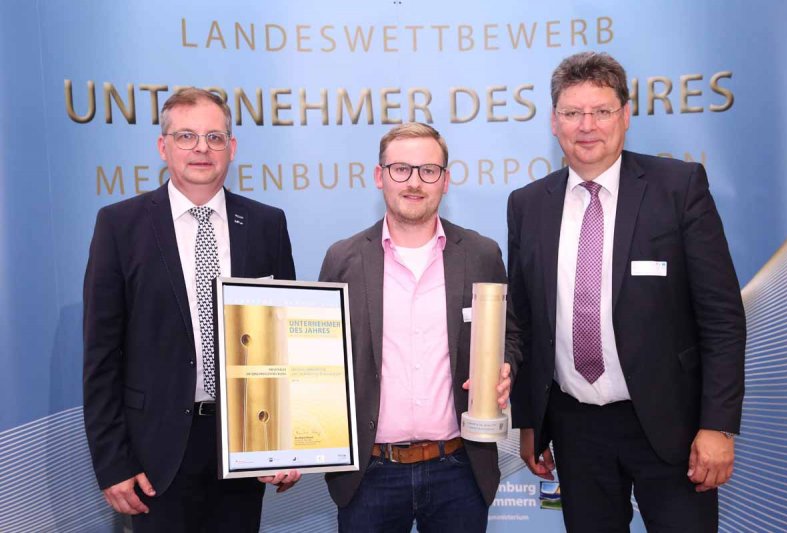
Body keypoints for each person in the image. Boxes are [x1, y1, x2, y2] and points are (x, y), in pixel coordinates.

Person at [507, 51, 746, 532]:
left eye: (601, 111)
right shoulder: (528, 204)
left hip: (672, 427)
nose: (586, 126)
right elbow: (525, 321)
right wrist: (529, 422)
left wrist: (718, 425)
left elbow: (721, 317)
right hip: (576, 429)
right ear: (554, 122)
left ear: (626, 115)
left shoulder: (678, 188)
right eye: (572, 113)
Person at [83, 87, 300, 532]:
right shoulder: (119, 225)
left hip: (245, 445)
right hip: (155, 454)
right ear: (163, 147)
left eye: (214, 137)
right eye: (186, 136)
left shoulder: (267, 224)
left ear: (232, 148)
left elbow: (286, 344)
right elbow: (101, 356)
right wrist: (112, 462)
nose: (202, 148)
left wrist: (288, 443)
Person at [319, 123, 522, 532]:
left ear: (445, 180)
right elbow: (320, 361)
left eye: (428, 170)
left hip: (459, 469)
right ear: (379, 176)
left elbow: (511, 335)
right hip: (370, 474)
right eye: (401, 169)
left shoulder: (481, 254)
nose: (414, 182)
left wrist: (506, 368)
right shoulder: (342, 259)